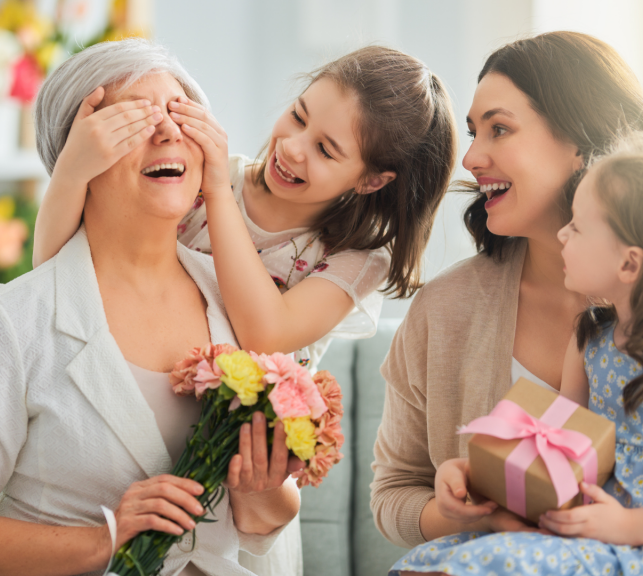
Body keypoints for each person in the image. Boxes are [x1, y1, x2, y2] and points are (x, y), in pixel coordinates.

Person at [370, 30, 643, 554]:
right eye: (474, 133)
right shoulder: (443, 311)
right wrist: (466, 508)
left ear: (583, 143)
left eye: (499, 129)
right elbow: (392, 494)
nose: (470, 158)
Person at [0, 40, 302, 576]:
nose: (166, 131)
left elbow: (262, 523)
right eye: (134, 117)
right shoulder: (15, 320)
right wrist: (105, 539)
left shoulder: (241, 301)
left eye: (180, 113)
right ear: (77, 154)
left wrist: (263, 486)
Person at [32, 46, 457, 370]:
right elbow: (61, 271)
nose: (292, 147)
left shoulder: (356, 259)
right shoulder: (199, 178)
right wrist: (71, 170)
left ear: (371, 180)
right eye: (298, 116)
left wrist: (217, 192)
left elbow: (266, 334)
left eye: (325, 150)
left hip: (240, 448)